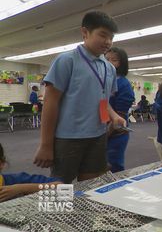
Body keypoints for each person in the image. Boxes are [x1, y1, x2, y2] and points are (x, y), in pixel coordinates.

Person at [33, 11, 126, 184]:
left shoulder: (109, 68)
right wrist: (46, 144)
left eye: (111, 37)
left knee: (91, 185)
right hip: (68, 138)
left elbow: (103, 101)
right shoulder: (66, 60)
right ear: (85, 32)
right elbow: (50, 102)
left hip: (98, 136)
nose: (108, 42)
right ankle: (59, 213)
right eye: (103, 35)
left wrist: (114, 116)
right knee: (61, 188)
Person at [105, 47, 135, 173]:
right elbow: (103, 107)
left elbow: (119, 117)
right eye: (106, 59)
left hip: (116, 134)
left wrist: (105, 135)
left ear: (121, 63)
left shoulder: (123, 84)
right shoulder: (104, 81)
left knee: (114, 167)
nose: (109, 62)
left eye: (114, 60)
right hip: (102, 131)